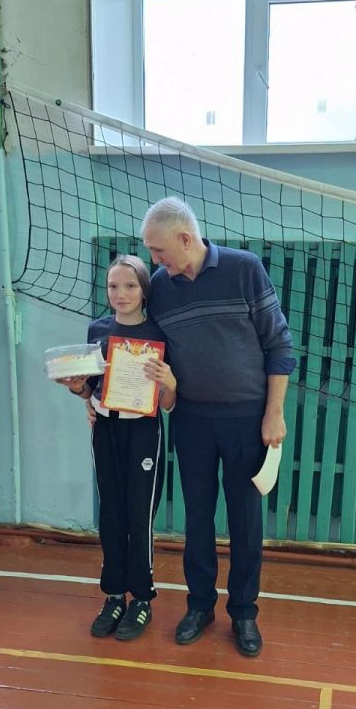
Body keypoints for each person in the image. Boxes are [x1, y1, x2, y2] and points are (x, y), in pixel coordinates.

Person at [142, 197, 296, 658]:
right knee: (197, 517)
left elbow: (279, 344)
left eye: (158, 249)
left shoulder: (244, 269)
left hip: (247, 418)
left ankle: (244, 612)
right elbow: (145, 351)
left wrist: (274, 412)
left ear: (185, 238)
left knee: (246, 520)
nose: (155, 259)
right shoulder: (160, 287)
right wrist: (92, 392)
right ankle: (199, 605)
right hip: (191, 420)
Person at [57, 255, 176, 641]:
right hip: (106, 429)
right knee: (111, 513)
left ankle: (141, 598)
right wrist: (79, 389)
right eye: (113, 286)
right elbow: (90, 389)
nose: (121, 294)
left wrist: (170, 382)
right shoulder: (98, 329)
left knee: (138, 516)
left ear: (144, 289)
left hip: (143, 430)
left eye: (130, 286)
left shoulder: (159, 332)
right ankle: (113, 596)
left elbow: (169, 402)